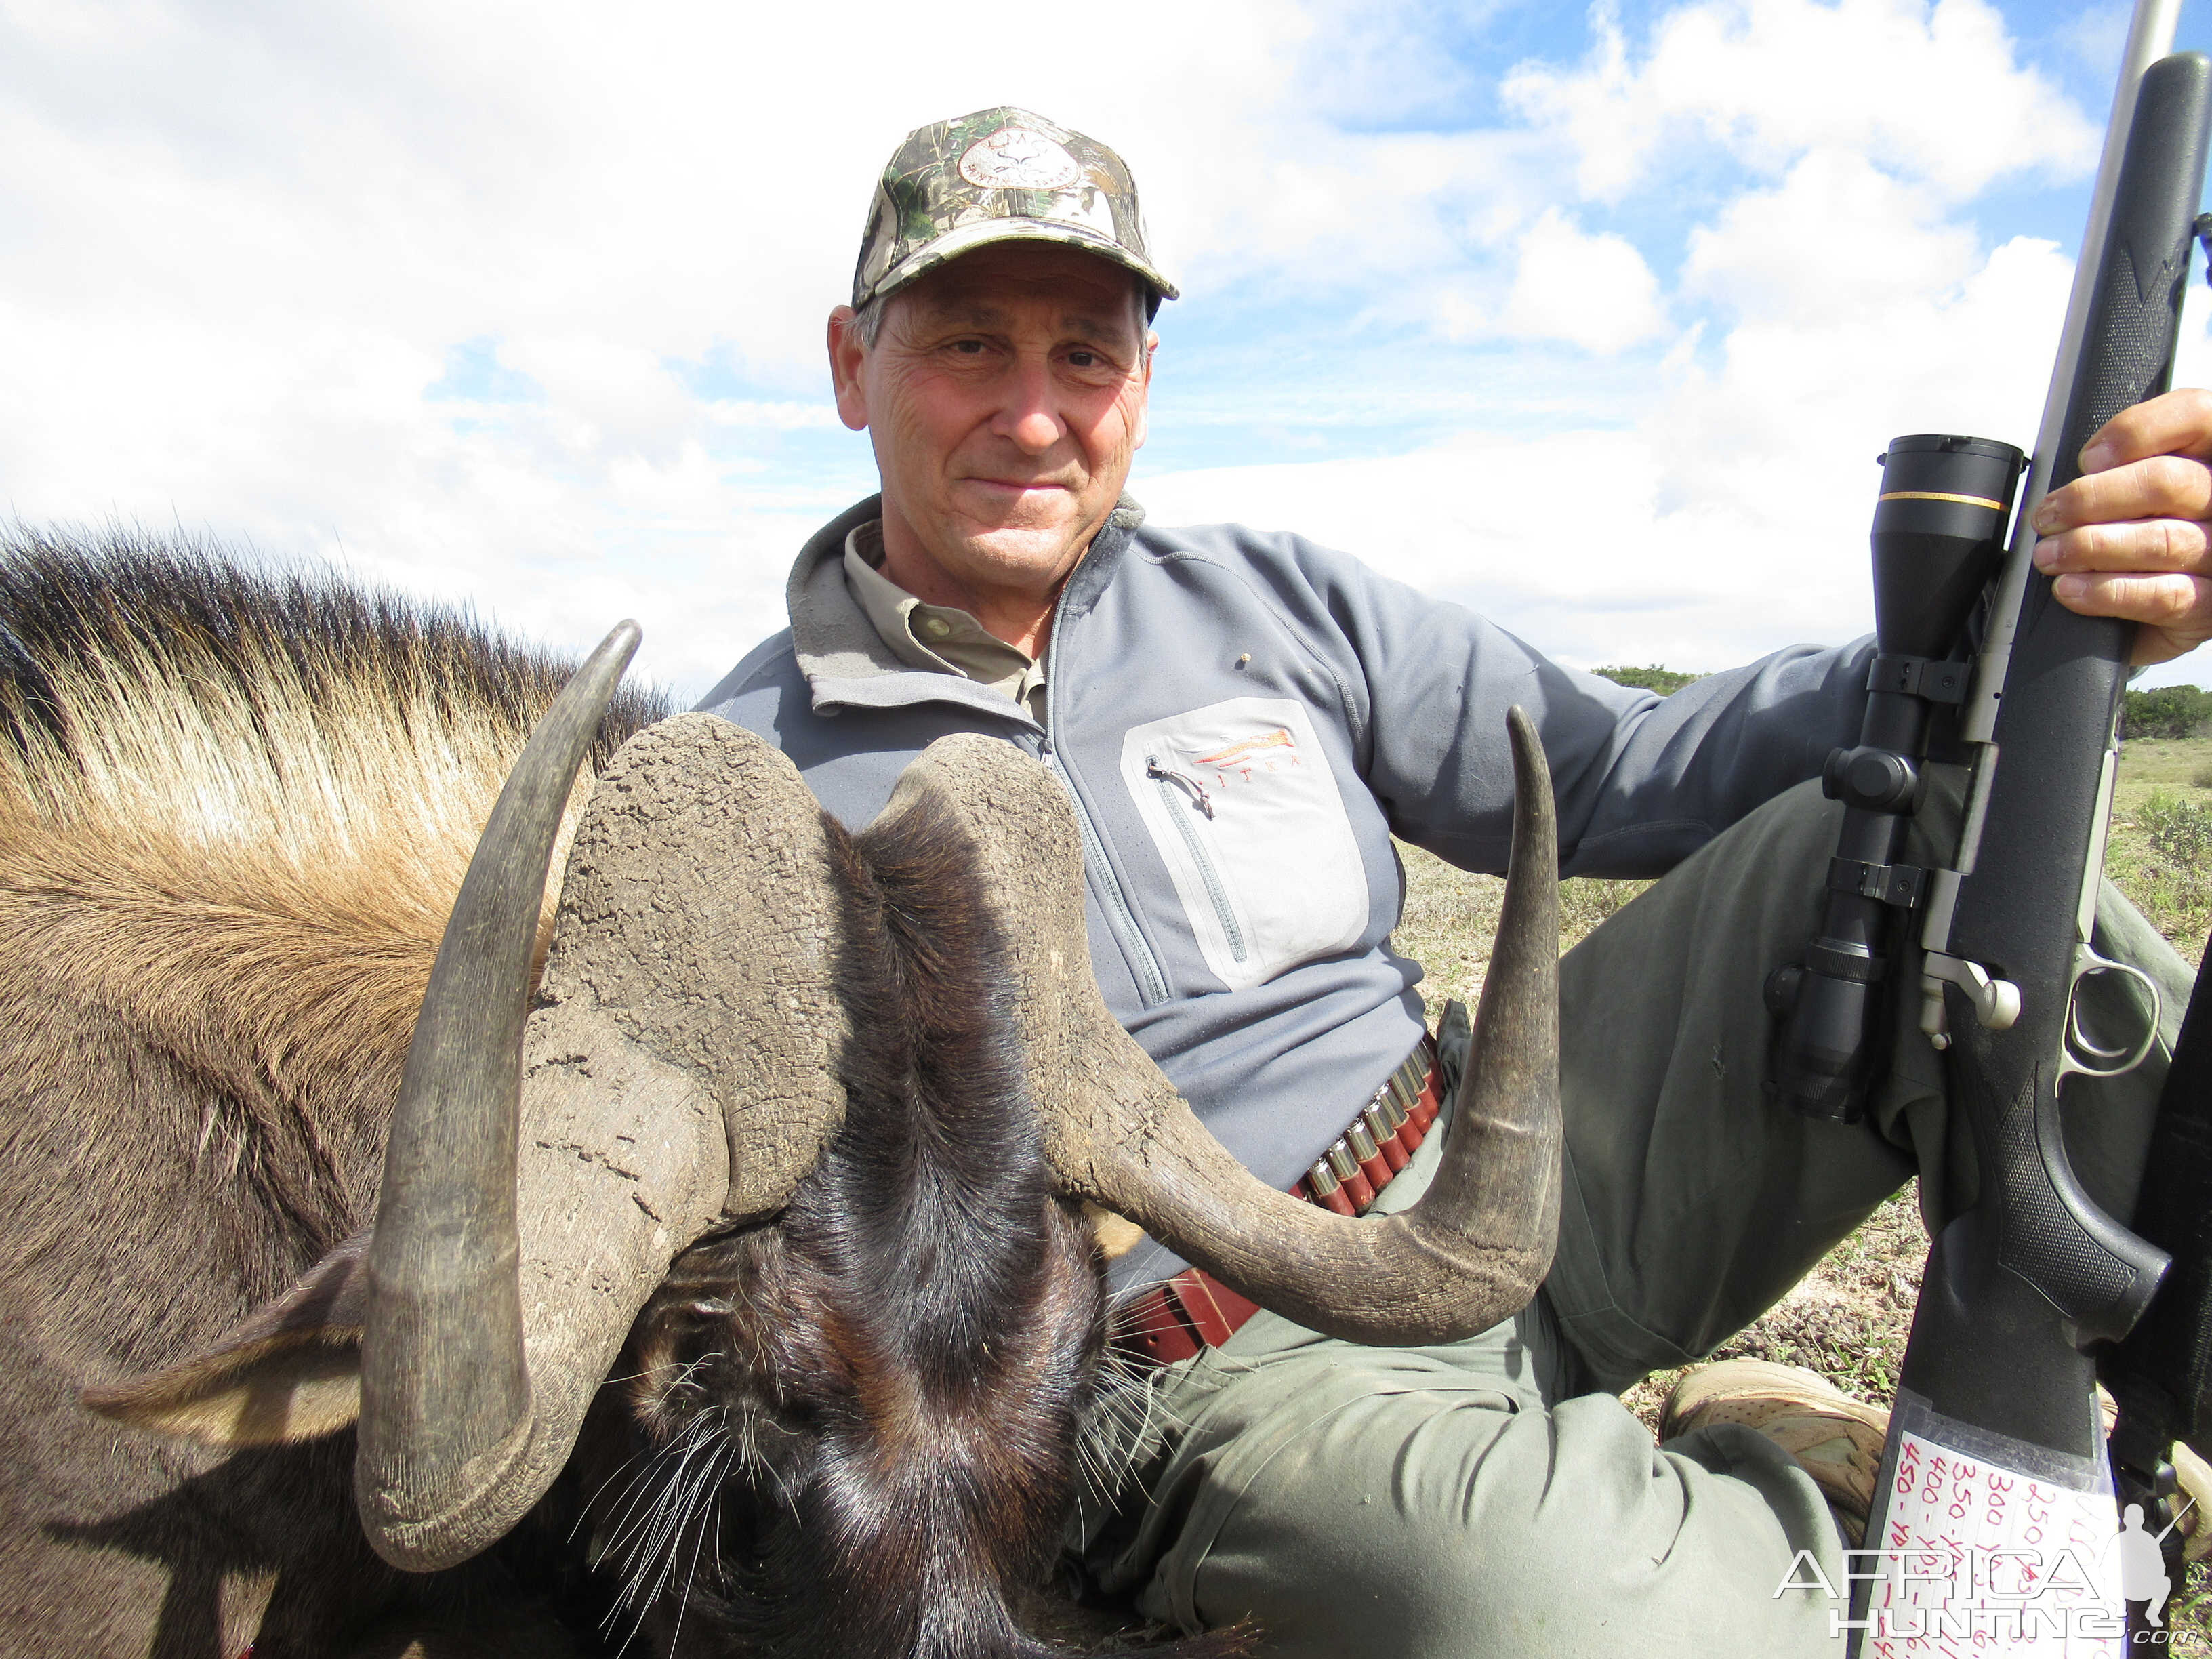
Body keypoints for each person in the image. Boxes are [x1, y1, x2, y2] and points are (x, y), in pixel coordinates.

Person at [699, 106, 2211, 1655]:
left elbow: (1627, 768)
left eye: (1085, 356)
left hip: (1504, 1167)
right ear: (848, 363)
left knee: (1940, 867)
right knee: (1555, 1620)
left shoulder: (1272, 601)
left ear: (1140, 387)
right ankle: (1830, 1529)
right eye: (969, 345)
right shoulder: (735, 782)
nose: (1034, 415)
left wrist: (2034, 634)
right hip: (1214, 1378)